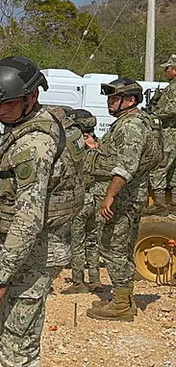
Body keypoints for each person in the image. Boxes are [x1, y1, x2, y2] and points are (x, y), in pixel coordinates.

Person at [0, 57, 84, 367]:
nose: (0, 111)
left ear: (31, 96)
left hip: (33, 253)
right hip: (36, 249)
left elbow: (28, 218)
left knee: (14, 341)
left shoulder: (33, 144)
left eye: (8, 103)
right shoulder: (36, 123)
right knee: (21, 334)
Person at [84, 78, 163, 321]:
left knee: (113, 248)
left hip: (122, 198)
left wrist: (109, 196)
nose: (110, 102)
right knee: (122, 247)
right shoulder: (129, 122)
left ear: (130, 100)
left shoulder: (130, 126)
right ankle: (124, 299)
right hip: (127, 196)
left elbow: (126, 167)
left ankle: (121, 305)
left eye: (115, 98)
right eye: (109, 98)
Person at [62, 109, 104, 294]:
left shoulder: (75, 146)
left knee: (77, 242)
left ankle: (78, 281)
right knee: (93, 241)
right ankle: (95, 280)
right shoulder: (100, 145)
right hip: (98, 200)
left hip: (81, 200)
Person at [146, 54, 176, 213]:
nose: (166, 71)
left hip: (169, 133)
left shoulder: (174, 88)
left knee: (160, 167)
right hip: (171, 133)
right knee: (173, 169)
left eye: (168, 68)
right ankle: (173, 203)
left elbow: (172, 109)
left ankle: (159, 204)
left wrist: (153, 114)